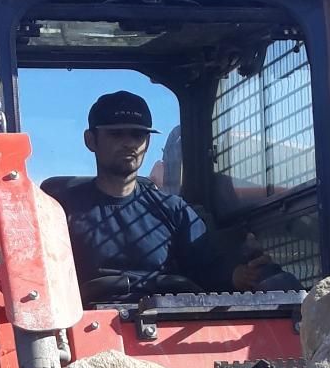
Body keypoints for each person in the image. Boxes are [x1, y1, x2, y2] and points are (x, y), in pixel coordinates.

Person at [49, 91, 296, 301]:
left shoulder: (172, 210)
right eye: (116, 134)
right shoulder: (59, 211)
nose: (129, 144)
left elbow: (207, 264)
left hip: (166, 327)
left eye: (137, 135)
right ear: (90, 140)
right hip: (85, 331)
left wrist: (238, 275)